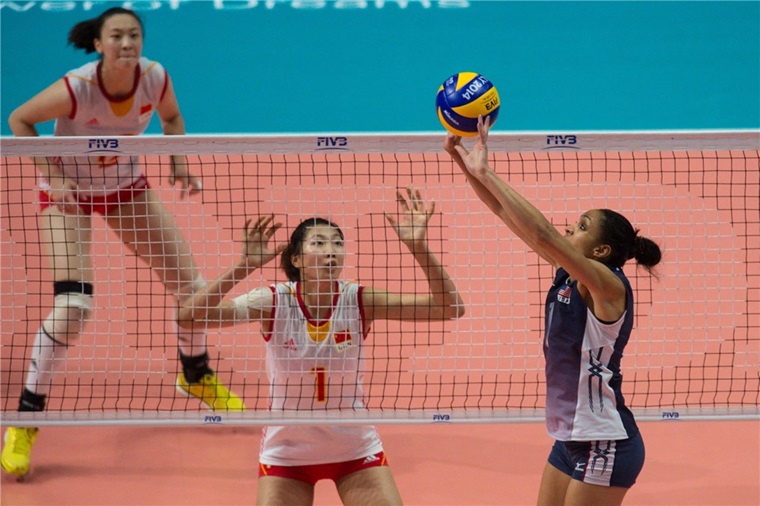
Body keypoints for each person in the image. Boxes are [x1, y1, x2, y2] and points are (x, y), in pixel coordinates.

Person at [2, 7, 244, 479]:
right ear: (99, 44)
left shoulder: (154, 78)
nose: (127, 44)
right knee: (73, 307)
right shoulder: (77, 88)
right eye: (117, 36)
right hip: (66, 194)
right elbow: (19, 121)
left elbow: (172, 119)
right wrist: (54, 178)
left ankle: (195, 375)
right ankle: (24, 419)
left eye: (134, 35)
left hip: (125, 190)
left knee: (191, 287)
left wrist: (177, 163)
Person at [176, 187, 465, 505]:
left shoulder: (358, 301)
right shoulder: (273, 302)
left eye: (338, 243)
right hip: (287, 455)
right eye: (319, 242)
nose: (332, 250)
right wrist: (243, 267)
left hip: (355, 450)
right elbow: (190, 317)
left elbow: (449, 308)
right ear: (297, 258)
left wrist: (419, 246)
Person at [446, 116, 661, 506]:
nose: (569, 229)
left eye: (580, 227)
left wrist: (487, 172)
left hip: (605, 442)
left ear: (599, 251)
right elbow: (504, 212)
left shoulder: (607, 287)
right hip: (570, 439)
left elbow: (543, 232)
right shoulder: (568, 274)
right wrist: (465, 164)